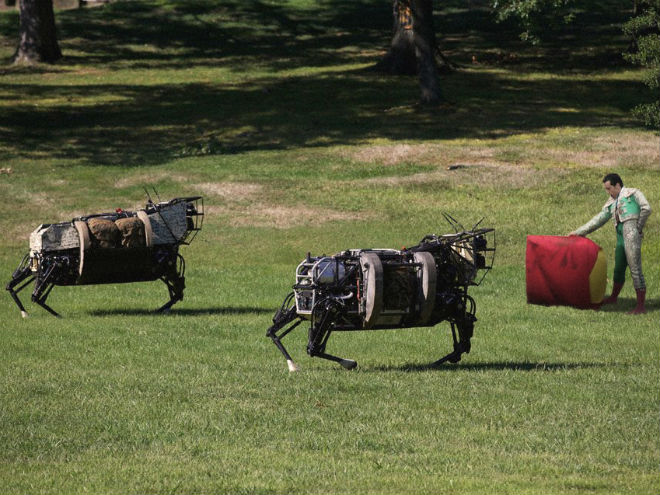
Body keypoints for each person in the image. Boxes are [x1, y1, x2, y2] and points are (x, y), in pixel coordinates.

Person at [570, 173, 651, 314]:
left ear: (617, 185)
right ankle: (614, 297)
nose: (608, 192)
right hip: (621, 236)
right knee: (618, 268)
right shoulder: (611, 202)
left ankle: (640, 306)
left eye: (609, 189)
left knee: (635, 269)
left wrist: (638, 227)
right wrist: (579, 232)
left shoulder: (633, 193)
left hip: (631, 233)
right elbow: (598, 219)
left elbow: (646, 208)